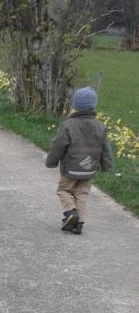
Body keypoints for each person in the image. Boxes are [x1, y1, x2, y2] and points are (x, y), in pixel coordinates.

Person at [45, 86, 113, 235]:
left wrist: (51, 161)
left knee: (63, 190)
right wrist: (107, 166)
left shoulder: (68, 125)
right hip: (89, 169)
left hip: (70, 168)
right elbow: (106, 149)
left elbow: (58, 146)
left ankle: (70, 213)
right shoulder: (100, 127)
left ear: (75, 106)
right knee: (82, 194)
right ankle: (79, 224)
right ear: (93, 106)